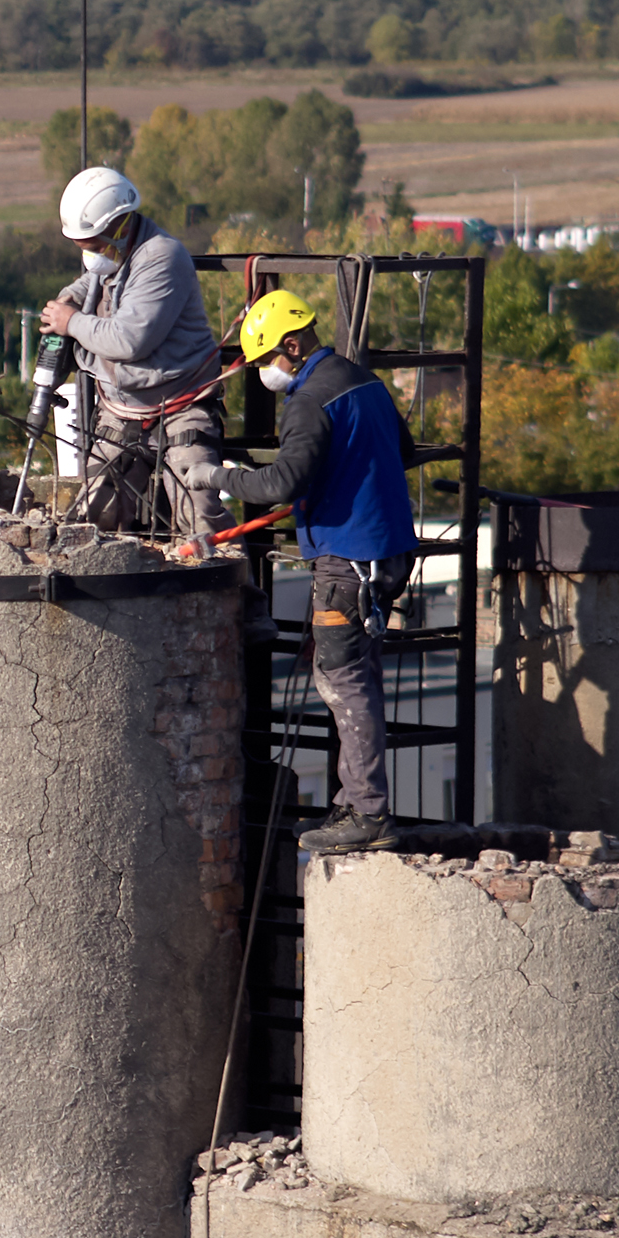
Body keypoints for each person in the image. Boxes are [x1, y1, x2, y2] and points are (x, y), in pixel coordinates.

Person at [210, 288, 416, 854]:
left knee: (343, 682)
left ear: (293, 346)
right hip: (387, 551)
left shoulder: (307, 401)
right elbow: (403, 449)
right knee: (360, 675)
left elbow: (282, 483)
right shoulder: (363, 381)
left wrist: (220, 477)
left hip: (347, 559)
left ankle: (368, 812)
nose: (264, 374)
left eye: (266, 360)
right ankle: (355, 802)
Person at [36, 166, 228, 542]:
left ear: (120, 225)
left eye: (93, 247)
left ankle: (232, 577)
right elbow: (90, 282)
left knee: (199, 517)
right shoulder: (116, 254)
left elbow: (128, 341)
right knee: (95, 513)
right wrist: (68, 299)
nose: (90, 256)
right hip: (121, 409)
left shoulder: (161, 257)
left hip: (180, 404)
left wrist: (71, 322)